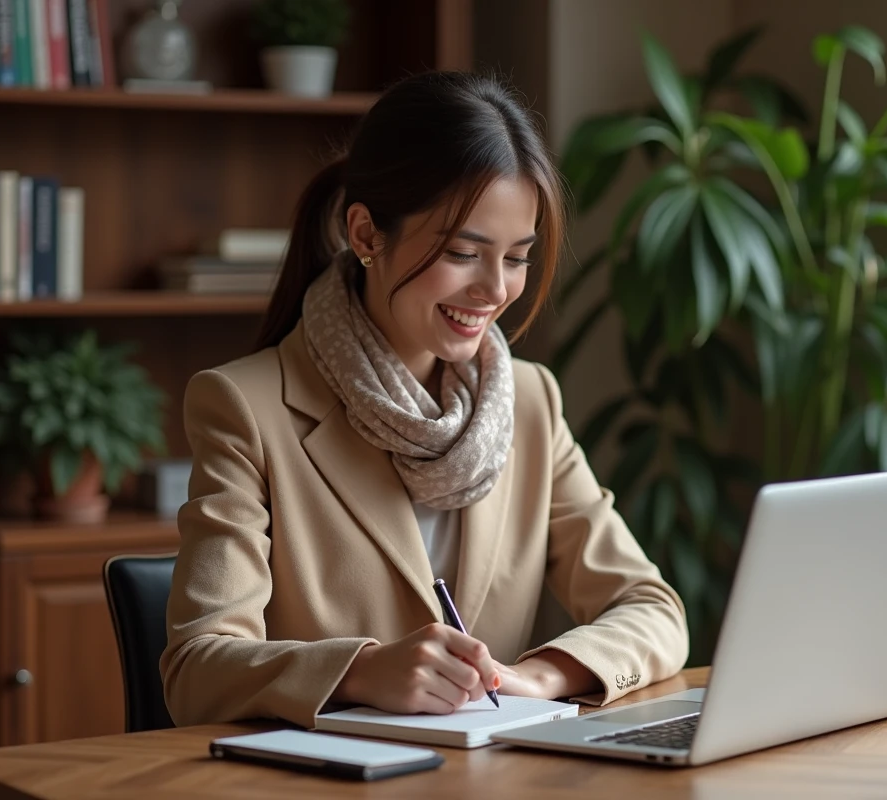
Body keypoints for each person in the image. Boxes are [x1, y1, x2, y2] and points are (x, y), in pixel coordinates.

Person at [160, 71, 689, 729]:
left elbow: (651, 607)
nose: (494, 289)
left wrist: (539, 675)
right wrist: (359, 672)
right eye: (464, 253)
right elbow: (198, 668)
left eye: (518, 257)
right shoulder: (245, 407)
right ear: (365, 235)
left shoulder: (527, 400)